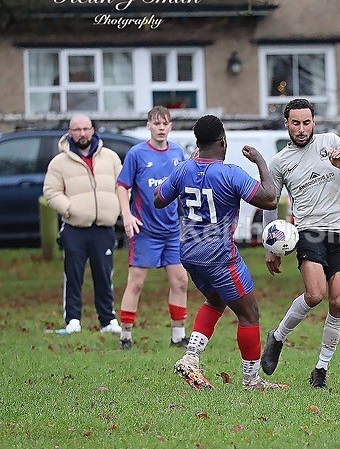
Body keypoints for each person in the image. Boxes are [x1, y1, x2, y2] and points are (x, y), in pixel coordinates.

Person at [155, 115, 279, 391]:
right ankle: (251, 381)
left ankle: (191, 357)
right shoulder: (230, 173)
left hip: (188, 253)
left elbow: (159, 199)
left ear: (197, 144)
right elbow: (270, 197)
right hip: (220, 256)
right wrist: (260, 161)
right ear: (223, 141)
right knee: (249, 314)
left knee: (215, 302)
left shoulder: (183, 170)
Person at [259, 98, 340, 389]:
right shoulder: (280, 161)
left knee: (339, 301)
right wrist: (270, 245)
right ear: (286, 124)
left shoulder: (332, 142)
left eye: (306, 123)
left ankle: (321, 368)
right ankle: (277, 337)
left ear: (313, 122)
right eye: (296, 123)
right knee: (315, 295)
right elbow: (271, 201)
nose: (301, 129)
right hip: (308, 232)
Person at [115, 106, 188, 350]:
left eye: (165, 124)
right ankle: (125, 336)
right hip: (145, 230)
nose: (161, 128)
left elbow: (185, 186)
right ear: (148, 125)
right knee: (136, 282)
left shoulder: (177, 152)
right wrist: (127, 216)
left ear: (170, 126)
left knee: (180, 281)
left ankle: (178, 336)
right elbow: (121, 186)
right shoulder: (136, 154)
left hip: (172, 231)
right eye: (156, 123)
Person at [43, 114, 123, 335]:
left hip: (104, 226)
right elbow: (51, 192)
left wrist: (116, 208)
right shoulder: (59, 162)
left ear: (93, 130)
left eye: (86, 129)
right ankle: (73, 320)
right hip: (74, 228)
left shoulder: (110, 157)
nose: (82, 133)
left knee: (104, 275)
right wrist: (69, 208)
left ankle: (108, 320)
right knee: (74, 274)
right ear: (70, 132)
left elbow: (123, 186)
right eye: (77, 130)